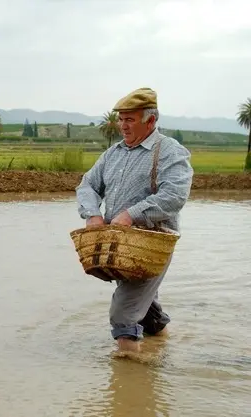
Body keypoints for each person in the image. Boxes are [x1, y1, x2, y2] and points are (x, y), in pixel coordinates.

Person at [75, 87, 194, 354]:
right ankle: (163, 353)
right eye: (120, 119)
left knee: (123, 313)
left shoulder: (169, 151)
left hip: (150, 248)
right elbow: (87, 185)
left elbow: (174, 196)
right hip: (118, 247)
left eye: (130, 119)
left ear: (150, 121)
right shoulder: (113, 154)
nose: (123, 125)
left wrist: (131, 215)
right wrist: (93, 214)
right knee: (147, 311)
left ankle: (130, 371)